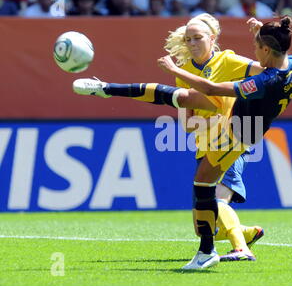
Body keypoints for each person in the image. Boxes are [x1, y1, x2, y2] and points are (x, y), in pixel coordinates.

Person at [73, 15, 292, 269]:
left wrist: (173, 68)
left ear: (267, 52)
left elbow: (213, 91)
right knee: (202, 194)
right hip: (232, 127)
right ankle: (227, 241)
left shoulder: (265, 80)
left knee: (202, 183)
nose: (253, 52)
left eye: (257, 47)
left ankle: (209, 252)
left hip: (236, 132)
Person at [73, 14, 266, 262]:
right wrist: (212, 119)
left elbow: (271, 71)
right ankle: (244, 233)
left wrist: (261, 37)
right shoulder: (183, 71)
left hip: (231, 142)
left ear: (213, 38)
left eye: (198, 38)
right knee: (203, 228)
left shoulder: (228, 61)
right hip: (204, 148)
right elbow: (187, 124)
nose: (193, 43)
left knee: (218, 199)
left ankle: (241, 248)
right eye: (188, 39)